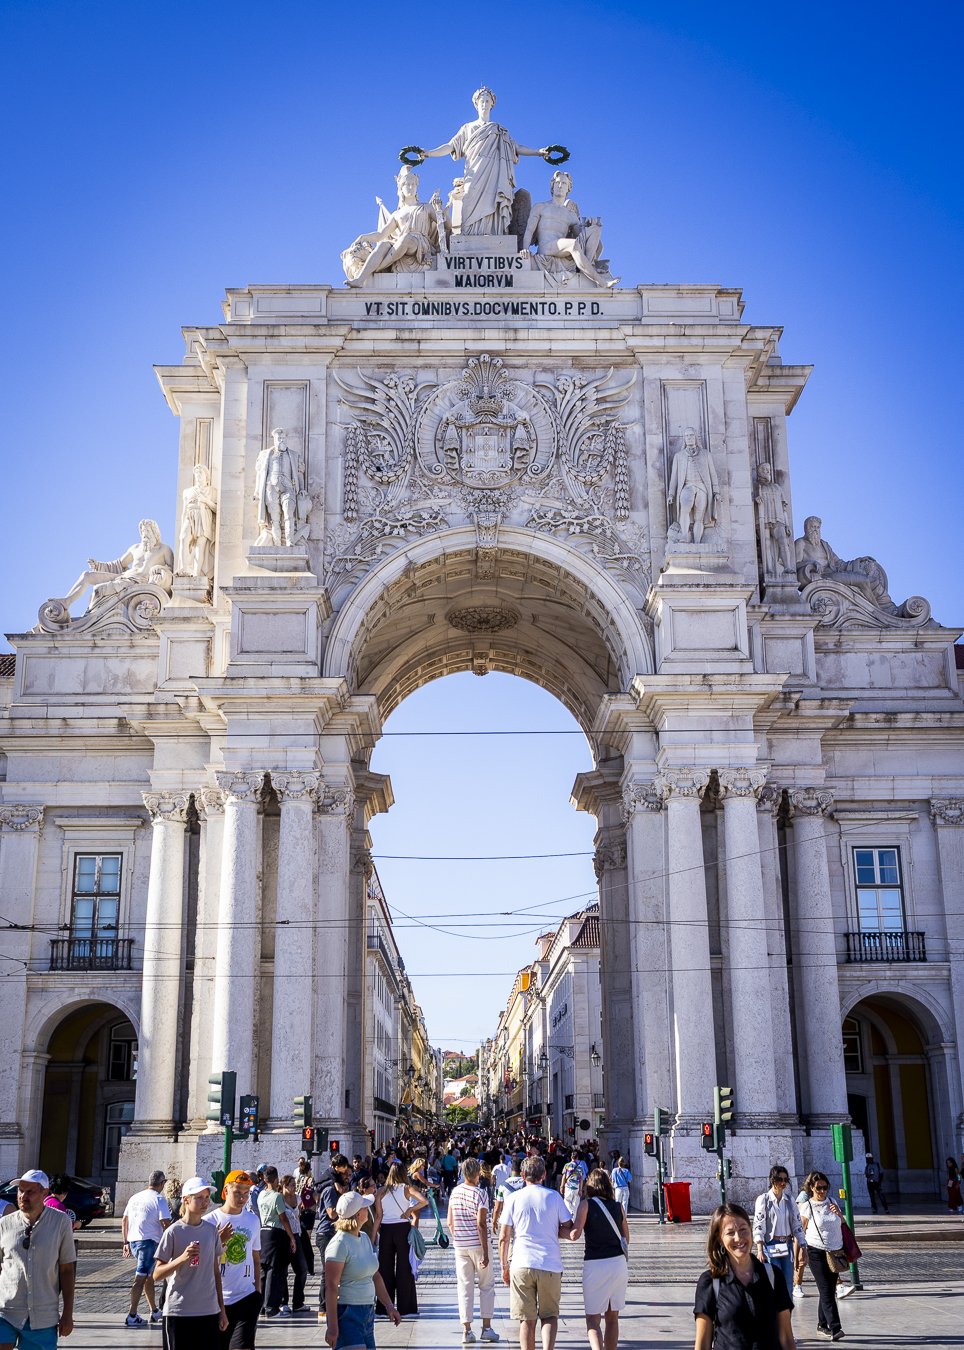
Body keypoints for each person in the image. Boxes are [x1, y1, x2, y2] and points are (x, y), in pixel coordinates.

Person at [413, 87, 552, 237]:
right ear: (476, 104)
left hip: (495, 173)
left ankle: (494, 234)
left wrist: (538, 152)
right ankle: (469, 235)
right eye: (481, 101)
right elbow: (450, 146)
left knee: (494, 202)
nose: (484, 104)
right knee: (469, 203)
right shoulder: (468, 128)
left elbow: (516, 148)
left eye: (487, 101)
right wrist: (429, 153)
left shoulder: (499, 130)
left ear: (492, 104)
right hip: (474, 174)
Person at [693, 1203, 794, 1350]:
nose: (738, 1238)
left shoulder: (773, 1275)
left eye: (743, 1230)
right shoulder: (710, 1282)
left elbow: (786, 1337)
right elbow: (702, 1344)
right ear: (720, 1238)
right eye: (730, 1233)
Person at [497, 1155, 573, 1350]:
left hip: (521, 1263)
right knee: (549, 1316)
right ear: (544, 1174)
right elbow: (568, 1225)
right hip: (550, 1264)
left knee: (526, 1320)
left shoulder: (513, 1198)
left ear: (523, 1176)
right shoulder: (554, 1196)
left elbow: (504, 1237)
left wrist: (504, 1266)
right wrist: (552, 1229)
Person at [0, 1169, 76, 1349]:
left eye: (30, 1191)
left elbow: (67, 1270)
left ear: (45, 1193)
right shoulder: (5, 1224)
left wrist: (67, 1314)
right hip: (5, 1311)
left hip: (43, 1316)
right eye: (20, 1191)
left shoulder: (61, 1222)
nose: (22, 1196)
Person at [153, 1177, 228, 1348]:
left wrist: (222, 1310)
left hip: (208, 1311)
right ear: (186, 1200)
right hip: (179, 1313)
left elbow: (215, 1273)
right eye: (199, 1197)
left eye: (207, 1197)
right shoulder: (173, 1232)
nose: (205, 1202)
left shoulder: (211, 1231)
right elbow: (157, 1274)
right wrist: (182, 1259)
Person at [324, 1192, 401, 1350]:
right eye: (366, 1207)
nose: (369, 1209)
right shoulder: (339, 1244)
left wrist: (389, 1306)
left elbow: (375, 1275)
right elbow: (331, 1286)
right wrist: (332, 1326)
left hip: (367, 1312)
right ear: (359, 1214)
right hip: (348, 1313)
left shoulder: (364, 1237)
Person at [522, 171, 617, 288]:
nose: (560, 186)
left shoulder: (571, 215)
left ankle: (586, 267)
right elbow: (529, 231)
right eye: (557, 183)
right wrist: (525, 249)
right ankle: (600, 281)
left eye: (564, 183)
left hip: (562, 248)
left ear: (568, 188)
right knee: (572, 245)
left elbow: (581, 236)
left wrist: (588, 226)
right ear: (552, 186)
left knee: (596, 229)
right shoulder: (540, 207)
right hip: (546, 247)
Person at [569, 1168, 629, 1350]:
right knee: (612, 1318)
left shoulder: (586, 1205)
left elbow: (574, 1234)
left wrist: (558, 1229)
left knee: (593, 1319)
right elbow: (626, 1238)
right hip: (618, 1264)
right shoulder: (618, 1206)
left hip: (595, 1265)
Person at [203, 1170, 261, 1350]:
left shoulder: (253, 1220)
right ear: (226, 1191)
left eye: (246, 1193)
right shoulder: (209, 1222)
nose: (242, 1197)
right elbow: (199, 1262)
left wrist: (257, 1292)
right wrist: (217, 1242)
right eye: (238, 1192)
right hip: (216, 1301)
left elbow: (256, 1257)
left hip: (246, 1296)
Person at [447, 1158, 499, 1345]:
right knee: (486, 1286)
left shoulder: (454, 1193)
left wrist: (457, 1237)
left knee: (465, 1287)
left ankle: (467, 1330)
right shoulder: (480, 1194)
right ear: (477, 1173)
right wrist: (485, 1252)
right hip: (478, 1245)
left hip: (461, 1246)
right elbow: (481, 1224)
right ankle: (486, 1328)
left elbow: (450, 1222)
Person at [372, 1162, 427, 1319]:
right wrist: (410, 1210)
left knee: (385, 1269)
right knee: (404, 1268)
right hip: (403, 1229)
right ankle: (407, 1308)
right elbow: (424, 1201)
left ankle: (383, 1308)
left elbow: (378, 1217)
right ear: (404, 1173)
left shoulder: (381, 1191)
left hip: (386, 1230)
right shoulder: (407, 1189)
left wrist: (372, 1236)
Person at [122, 1167, 173, 1328]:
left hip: (135, 1240)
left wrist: (125, 1242)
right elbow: (165, 1222)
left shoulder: (135, 1197)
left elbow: (125, 1219)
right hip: (149, 1242)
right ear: (162, 1183)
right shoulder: (159, 1199)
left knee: (149, 1277)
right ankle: (132, 1314)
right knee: (141, 1278)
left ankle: (154, 1310)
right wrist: (172, 1241)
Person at [798, 1172, 845, 1342]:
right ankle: (836, 1327)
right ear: (811, 1188)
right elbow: (801, 1231)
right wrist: (799, 1253)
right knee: (826, 1290)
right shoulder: (807, 1207)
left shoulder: (833, 1202)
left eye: (825, 1187)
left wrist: (839, 1215)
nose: (822, 1191)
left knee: (829, 1289)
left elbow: (843, 1224)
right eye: (819, 1187)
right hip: (815, 1251)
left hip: (834, 1252)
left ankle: (822, 1324)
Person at [752, 1166, 806, 1307]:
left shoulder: (789, 1200)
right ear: (772, 1180)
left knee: (788, 1281)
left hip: (787, 1245)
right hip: (771, 1245)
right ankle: (774, 1315)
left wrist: (803, 1245)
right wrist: (759, 1250)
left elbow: (797, 1224)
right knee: (774, 1280)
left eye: (785, 1180)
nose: (783, 1183)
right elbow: (759, 1224)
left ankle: (786, 1315)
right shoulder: (763, 1199)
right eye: (779, 1179)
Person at [257, 1166, 297, 1318]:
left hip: (263, 1232)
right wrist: (291, 1237)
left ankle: (261, 1305)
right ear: (275, 1179)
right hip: (276, 1233)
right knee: (275, 1271)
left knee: (263, 1270)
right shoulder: (277, 1196)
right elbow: (283, 1218)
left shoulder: (261, 1195)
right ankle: (271, 1307)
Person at [667, 429, 720, 544]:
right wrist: (671, 493)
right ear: (684, 439)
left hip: (702, 488)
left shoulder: (706, 454)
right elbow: (674, 478)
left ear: (695, 437)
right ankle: (685, 536)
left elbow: (713, 474)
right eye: (686, 436)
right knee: (684, 510)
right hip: (687, 486)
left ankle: (697, 542)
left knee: (699, 518)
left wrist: (716, 492)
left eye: (691, 435)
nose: (689, 437)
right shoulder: (679, 456)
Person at [317, 1156, 353, 1321]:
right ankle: (323, 1307)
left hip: (334, 1233)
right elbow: (331, 1213)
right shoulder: (330, 1190)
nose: (347, 1175)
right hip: (326, 1234)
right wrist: (346, 1209)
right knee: (328, 1272)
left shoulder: (336, 1188)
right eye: (345, 1172)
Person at [280, 1175, 309, 1314]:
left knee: (302, 1269)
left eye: (294, 1184)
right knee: (283, 1271)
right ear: (284, 1185)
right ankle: (283, 1301)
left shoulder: (297, 1198)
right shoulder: (279, 1199)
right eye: (291, 1184)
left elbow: (297, 1215)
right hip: (284, 1236)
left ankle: (298, 1302)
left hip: (297, 1235)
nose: (294, 1187)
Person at [493, 1157, 525, 1232]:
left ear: (511, 1169)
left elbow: (497, 1208)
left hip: (508, 1221)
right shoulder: (527, 1183)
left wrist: (494, 1221)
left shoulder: (503, 1185)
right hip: (523, 1221)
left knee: (509, 1242)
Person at [561, 1152, 586, 1218]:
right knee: (575, 1204)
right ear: (577, 1158)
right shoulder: (580, 1167)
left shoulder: (567, 1165)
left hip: (568, 1187)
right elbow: (581, 1179)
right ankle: (573, 1219)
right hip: (576, 1188)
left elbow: (564, 1177)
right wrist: (580, 1189)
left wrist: (561, 1186)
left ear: (571, 1157)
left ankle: (569, 1216)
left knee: (567, 1202)